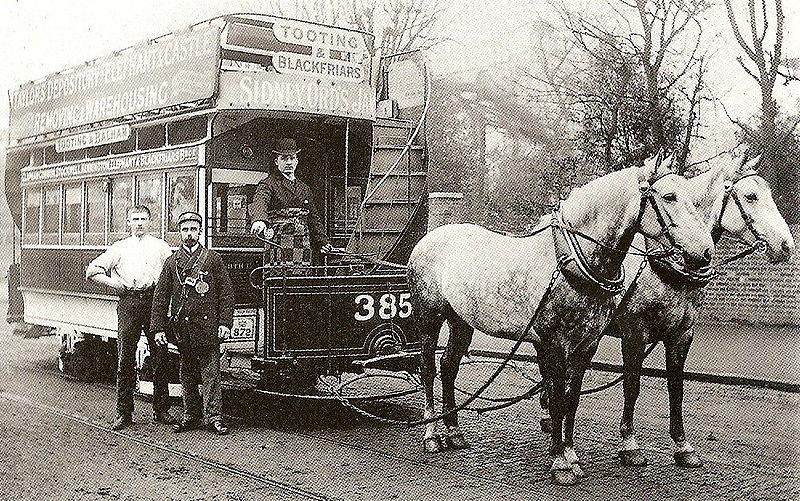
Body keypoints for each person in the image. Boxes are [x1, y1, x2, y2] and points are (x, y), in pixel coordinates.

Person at [85, 205, 176, 431]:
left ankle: (161, 410)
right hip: (128, 304)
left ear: (151, 221)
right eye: (134, 219)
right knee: (125, 358)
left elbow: (175, 275)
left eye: (143, 219)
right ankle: (124, 413)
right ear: (128, 222)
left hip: (154, 303)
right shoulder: (120, 248)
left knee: (160, 355)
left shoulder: (161, 247)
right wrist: (115, 284)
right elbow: (92, 271)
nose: (139, 223)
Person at [150, 211, 234, 435]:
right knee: (186, 372)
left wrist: (225, 323)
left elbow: (226, 293)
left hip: (207, 327)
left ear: (200, 231)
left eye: (193, 229)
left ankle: (214, 416)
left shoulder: (213, 259)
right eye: (185, 230)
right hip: (183, 328)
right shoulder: (171, 262)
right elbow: (160, 297)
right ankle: (190, 415)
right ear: (180, 233)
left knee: (211, 373)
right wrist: (157, 328)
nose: (189, 234)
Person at [249, 137, 333, 254]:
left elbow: (313, 217)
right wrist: (259, 220)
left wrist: (323, 242)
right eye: (284, 158)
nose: (289, 162)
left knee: (302, 271)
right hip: (277, 241)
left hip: (302, 242)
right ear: (276, 162)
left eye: (292, 158)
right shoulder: (268, 184)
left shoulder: (304, 188)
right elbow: (260, 200)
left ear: (296, 161)